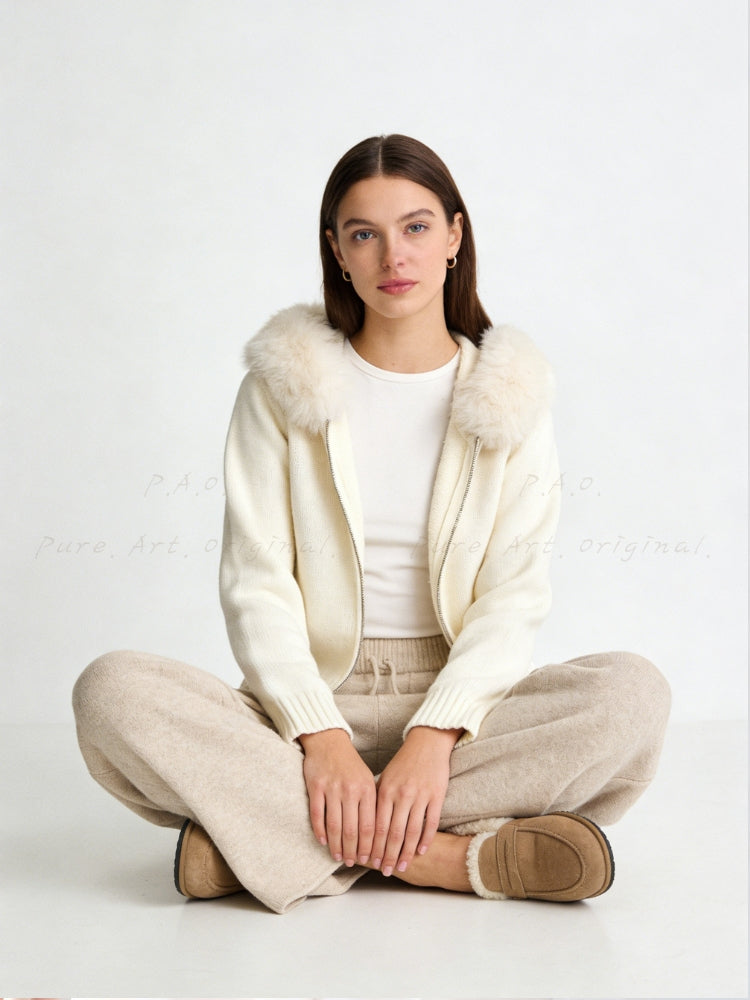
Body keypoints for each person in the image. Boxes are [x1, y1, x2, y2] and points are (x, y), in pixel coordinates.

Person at [72, 134, 671, 914]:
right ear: (337, 250)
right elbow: (256, 583)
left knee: (633, 695)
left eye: (416, 227)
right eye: (365, 233)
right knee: (112, 692)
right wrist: (318, 737)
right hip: (309, 699)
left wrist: (436, 734)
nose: (394, 255)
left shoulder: (512, 392)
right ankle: (447, 856)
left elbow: (513, 595)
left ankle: (268, 842)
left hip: (465, 705)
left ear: (454, 236)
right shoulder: (282, 388)